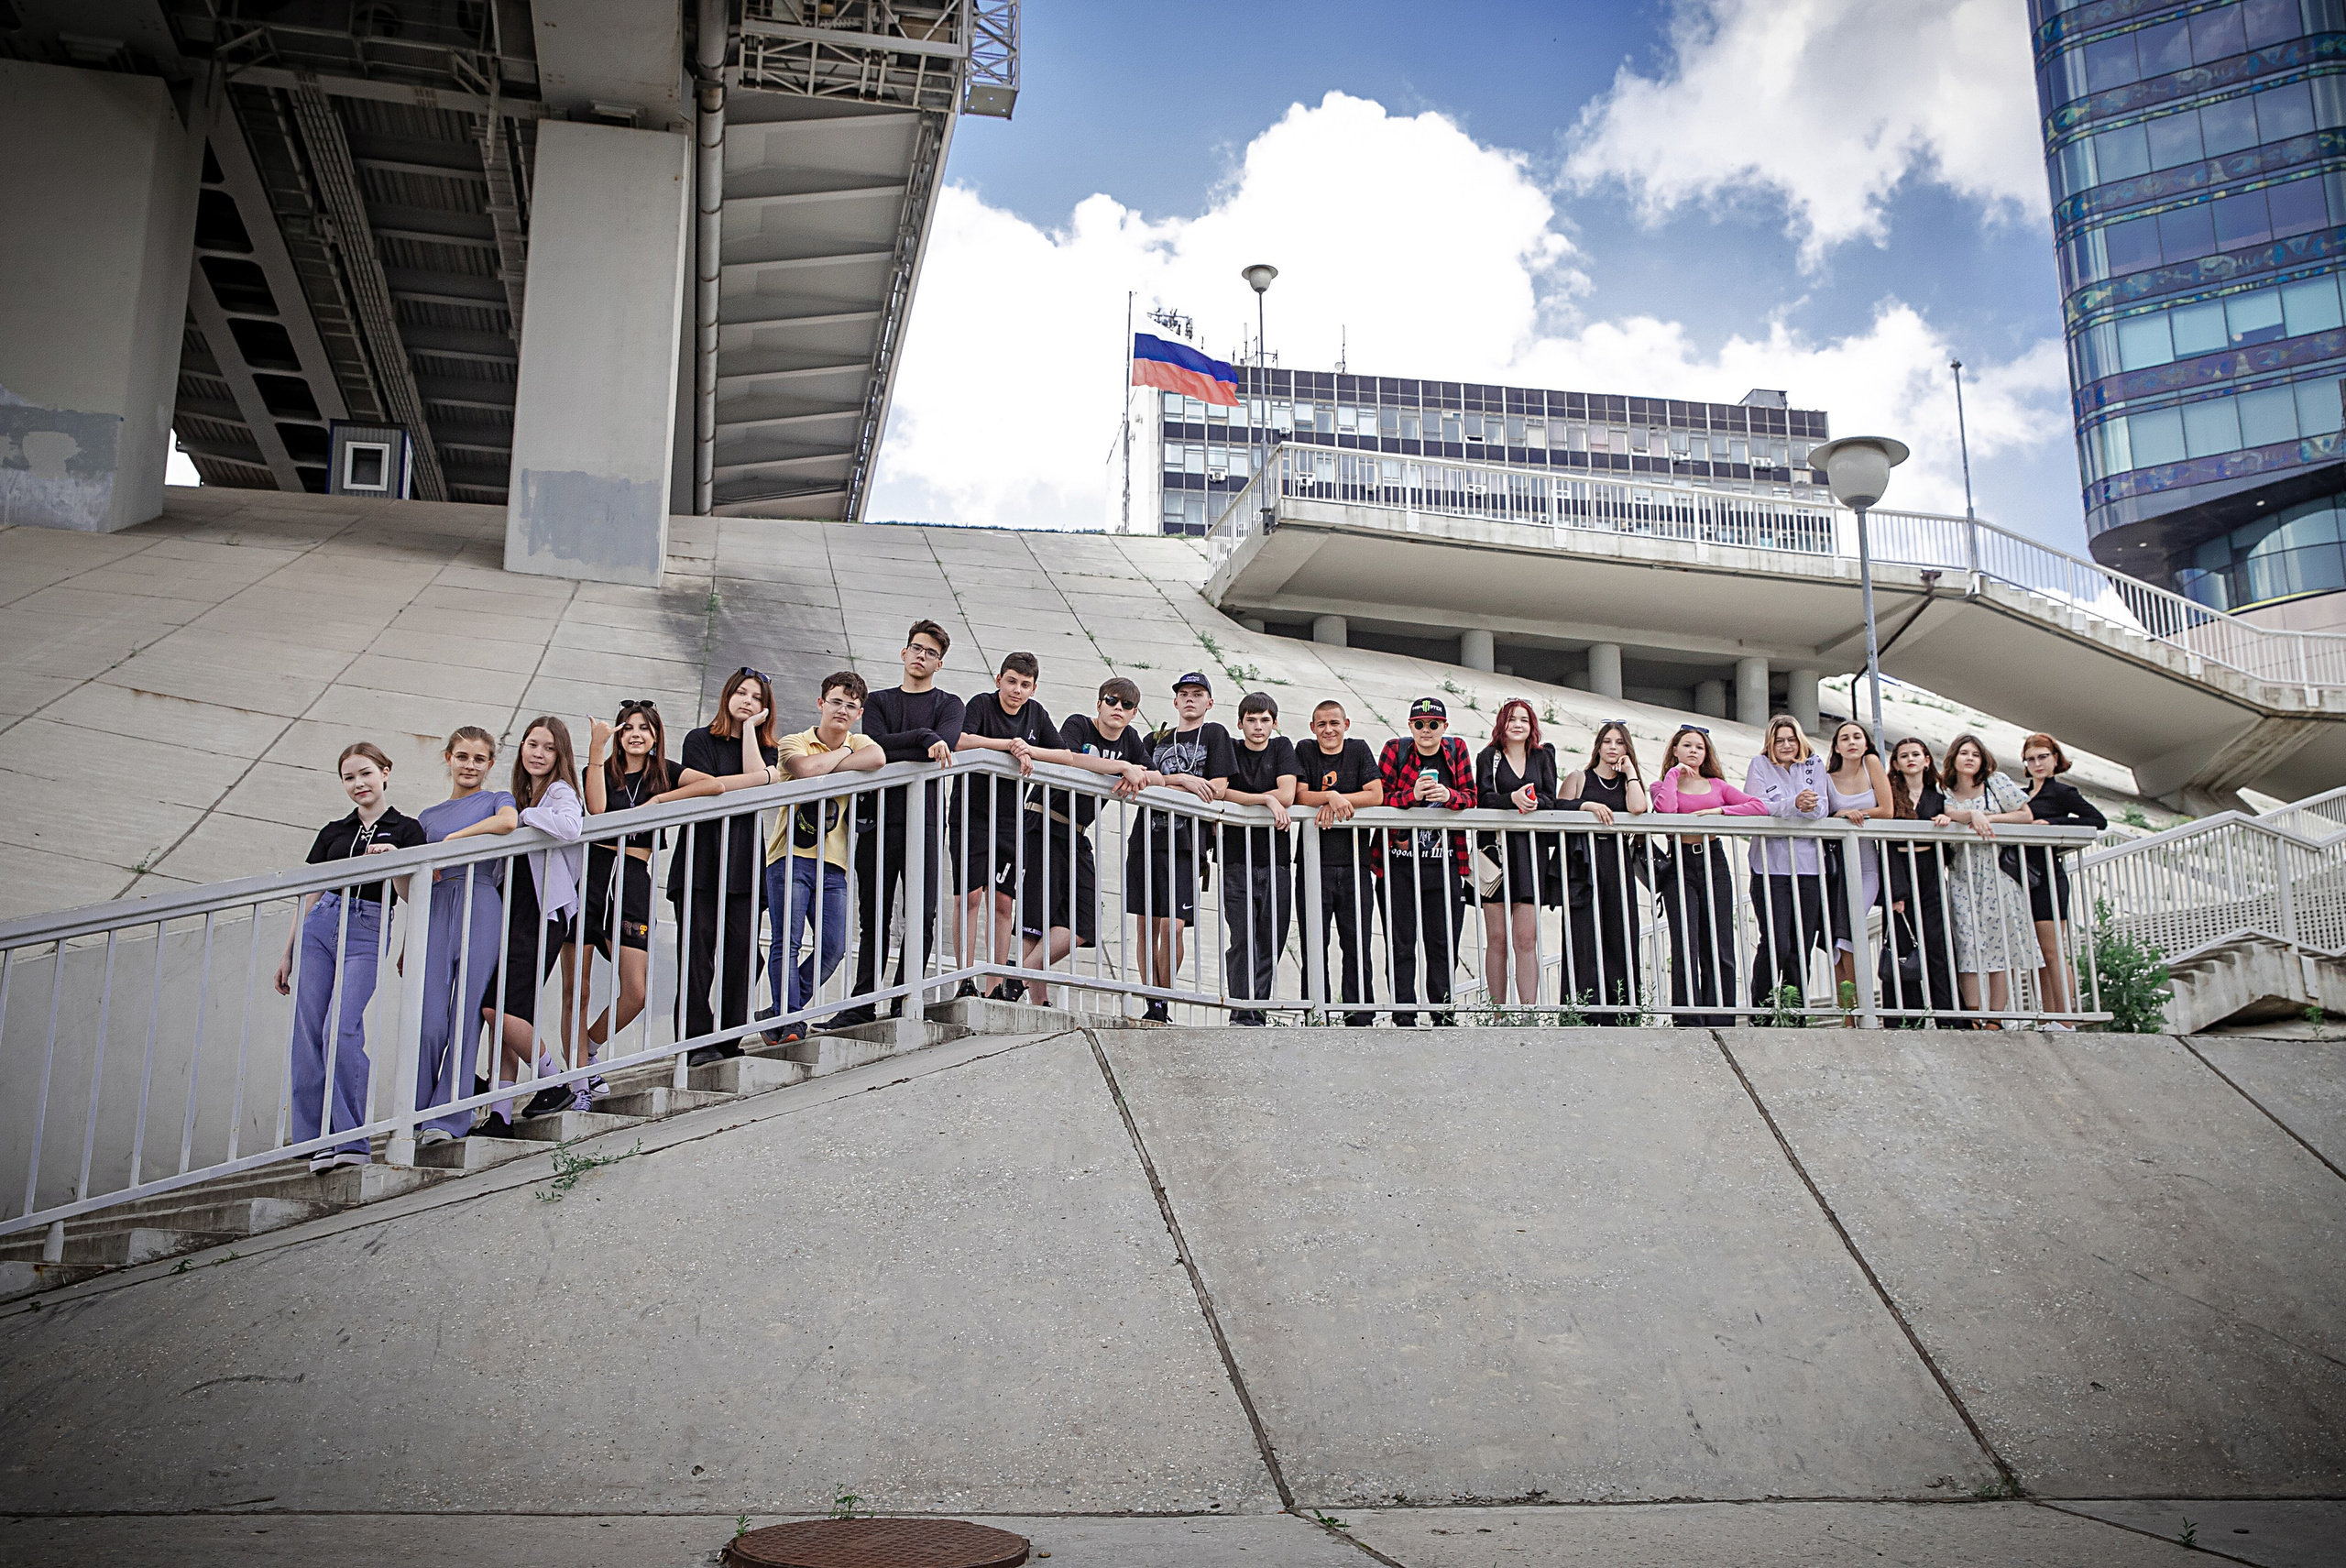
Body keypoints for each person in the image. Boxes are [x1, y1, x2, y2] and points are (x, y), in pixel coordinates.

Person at [275, 742, 424, 1170]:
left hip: (368, 925)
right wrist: (287, 952)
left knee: (340, 1028)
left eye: (365, 774)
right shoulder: (334, 831)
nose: (358, 784)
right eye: (349, 778)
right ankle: (315, 1141)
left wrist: (398, 862)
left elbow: (412, 895)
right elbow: (310, 893)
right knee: (308, 1032)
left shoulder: (407, 829)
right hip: (320, 925)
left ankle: (351, 1141)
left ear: (385, 773)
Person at [838, 621, 964, 1026]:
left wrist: (922, 742)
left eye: (929, 652)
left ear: (939, 663)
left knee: (922, 914)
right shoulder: (878, 702)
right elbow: (875, 746)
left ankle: (903, 998)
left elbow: (937, 751)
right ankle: (861, 1003)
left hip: (924, 822)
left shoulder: (950, 703)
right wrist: (925, 736)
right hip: (878, 819)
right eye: (915, 648)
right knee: (872, 914)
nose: (920, 656)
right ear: (903, 653)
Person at [577, 700, 715, 1062]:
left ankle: (589, 1049)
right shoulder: (600, 769)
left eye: (644, 728)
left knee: (636, 992)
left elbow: (712, 785)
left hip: (634, 879)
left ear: (655, 736)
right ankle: (577, 1071)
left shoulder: (664, 772)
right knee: (579, 988)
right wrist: (596, 747)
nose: (636, 735)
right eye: (628, 728)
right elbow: (595, 809)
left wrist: (659, 801)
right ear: (619, 734)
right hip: (594, 875)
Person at [672, 666, 784, 1063]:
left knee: (742, 955)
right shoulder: (699, 740)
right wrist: (759, 780)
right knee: (697, 957)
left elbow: (756, 776)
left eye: (756, 698)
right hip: (700, 862)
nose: (747, 702)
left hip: (743, 865)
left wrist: (752, 732)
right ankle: (694, 1043)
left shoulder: (767, 749)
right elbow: (711, 790)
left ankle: (729, 1038)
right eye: (741, 693)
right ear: (727, 694)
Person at [1017, 677, 1151, 1006]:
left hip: (1075, 833)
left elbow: (1153, 775)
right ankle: (1038, 998)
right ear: (1099, 704)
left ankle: (1018, 976)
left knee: (1084, 923)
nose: (1118, 708)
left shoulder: (1131, 740)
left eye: (1126, 705)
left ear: (1134, 713)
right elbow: (1069, 758)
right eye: (1111, 701)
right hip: (1041, 820)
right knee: (1036, 917)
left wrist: (1139, 772)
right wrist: (1121, 767)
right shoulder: (1079, 725)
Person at [768, 672, 885, 1039]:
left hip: (834, 864)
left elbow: (878, 757)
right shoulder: (794, 741)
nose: (842, 710)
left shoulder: (860, 740)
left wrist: (841, 754)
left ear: (859, 712)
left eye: (851, 706)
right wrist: (847, 755)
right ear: (821, 703)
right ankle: (788, 1021)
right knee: (786, 941)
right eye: (836, 702)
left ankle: (780, 1012)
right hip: (790, 857)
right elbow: (803, 770)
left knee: (833, 947)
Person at [411, 727, 513, 1146]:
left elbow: (510, 823)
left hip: (481, 900)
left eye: (479, 759)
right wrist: (406, 944)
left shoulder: (496, 799)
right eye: (462, 757)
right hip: (435, 907)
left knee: (466, 1014)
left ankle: (450, 1118)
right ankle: (416, 1115)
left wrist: (454, 841)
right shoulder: (426, 817)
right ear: (448, 758)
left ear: (489, 764)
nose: (470, 765)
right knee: (430, 1020)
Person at [486, 716, 587, 1124]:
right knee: (511, 1016)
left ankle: (554, 1083)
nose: (538, 754)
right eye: (532, 744)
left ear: (559, 754)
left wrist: (525, 819)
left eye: (548, 747)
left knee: (497, 1010)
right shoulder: (520, 793)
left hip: (540, 913)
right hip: (513, 908)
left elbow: (571, 826)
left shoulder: (559, 792)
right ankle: (500, 1113)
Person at [1127, 673, 1233, 1023]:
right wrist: (1183, 779)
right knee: (1146, 924)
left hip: (1187, 844)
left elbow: (1217, 787)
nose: (1190, 699)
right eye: (1184, 694)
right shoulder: (1155, 738)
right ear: (1175, 702)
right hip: (1147, 839)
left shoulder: (1215, 734)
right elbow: (1140, 781)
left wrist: (1165, 784)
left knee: (1172, 926)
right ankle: (1152, 1003)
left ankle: (1164, 996)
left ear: (1209, 702)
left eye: (1198, 694)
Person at [953, 652, 1058, 1001]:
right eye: (1011, 681)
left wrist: (1030, 750)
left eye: (1025, 685)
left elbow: (1066, 756)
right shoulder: (981, 705)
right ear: (999, 680)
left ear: (1034, 688)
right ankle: (965, 979)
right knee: (969, 896)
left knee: (1002, 903)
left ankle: (994, 984)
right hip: (971, 813)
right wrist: (1009, 747)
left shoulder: (1036, 714)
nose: (1017, 690)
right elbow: (960, 740)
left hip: (1011, 821)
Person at [1650, 725, 1767, 1027]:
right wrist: (1674, 775)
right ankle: (1688, 1019)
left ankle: (1721, 1018)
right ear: (1675, 750)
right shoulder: (1662, 785)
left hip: (1713, 861)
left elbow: (1758, 806)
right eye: (1686, 745)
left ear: (1706, 754)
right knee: (1685, 945)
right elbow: (1666, 813)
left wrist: (1720, 813)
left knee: (1719, 944)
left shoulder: (1717, 785)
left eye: (1699, 747)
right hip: (1678, 863)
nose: (1693, 751)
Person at [1377, 696, 1476, 1026]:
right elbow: (1380, 798)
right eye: (1419, 724)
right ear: (1410, 726)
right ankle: (1403, 1016)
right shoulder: (1396, 750)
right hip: (1397, 864)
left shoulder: (1456, 750)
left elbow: (1472, 797)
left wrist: (1450, 796)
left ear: (1444, 727)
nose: (1426, 731)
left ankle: (1443, 1015)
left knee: (1443, 945)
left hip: (1444, 863)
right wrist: (1413, 795)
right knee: (1401, 944)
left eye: (1433, 724)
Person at [1935, 732, 2037, 1026]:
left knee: (1997, 944)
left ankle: (1995, 1016)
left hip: (1996, 872)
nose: (1969, 758)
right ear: (1954, 757)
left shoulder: (1996, 782)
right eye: (1964, 753)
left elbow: (2024, 814)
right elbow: (1947, 812)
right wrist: (1968, 814)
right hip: (1961, 873)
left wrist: (1987, 818)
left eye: (1975, 754)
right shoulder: (1945, 790)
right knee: (1967, 940)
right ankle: (1974, 1014)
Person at [1294, 699, 1383, 1026]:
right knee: (1314, 942)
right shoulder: (1304, 750)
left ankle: (1360, 1016)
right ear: (1312, 728)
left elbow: (1376, 795)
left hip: (1355, 864)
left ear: (1346, 724)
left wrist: (1340, 800)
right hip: (1313, 864)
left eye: (1334, 723)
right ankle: (1315, 1014)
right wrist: (1330, 797)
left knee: (1357, 942)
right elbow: (1300, 796)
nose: (1328, 730)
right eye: (1321, 724)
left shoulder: (1358, 750)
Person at [1559, 719, 1650, 1025]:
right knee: (1582, 935)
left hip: (1616, 860)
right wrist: (1586, 806)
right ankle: (1581, 1012)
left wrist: (1631, 773)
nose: (1613, 747)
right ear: (1598, 745)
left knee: (1620, 933)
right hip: (1583, 861)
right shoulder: (1579, 777)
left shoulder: (1627, 781)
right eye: (1608, 741)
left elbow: (1638, 807)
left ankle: (1621, 1012)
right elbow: (1557, 808)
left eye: (1620, 743)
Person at [1216, 692, 1299, 1025]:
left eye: (1265, 720)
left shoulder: (1281, 748)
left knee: (1270, 940)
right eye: (1251, 719)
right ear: (1240, 723)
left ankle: (1256, 1013)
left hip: (1277, 862)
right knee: (1242, 939)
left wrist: (1263, 800)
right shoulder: (1231, 750)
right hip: (1236, 860)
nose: (1258, 726)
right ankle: (1241, 1012)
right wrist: (1265, 799)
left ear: (1274, 723)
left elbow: (1289, 794)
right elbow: (1222, 791)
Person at [1742, 714, 1831, 1020]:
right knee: (1776, 942)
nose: (1786, 745)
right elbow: (1758, 806)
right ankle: (1761, 1012)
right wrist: (1794, 804)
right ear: (1770, 741)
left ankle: (1795, 1014)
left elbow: (1822, 807)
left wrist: (1803, 807)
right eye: (1779, 740)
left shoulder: (1814, 765)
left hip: (1808, 867)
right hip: (1770, 866)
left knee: (1800, 946)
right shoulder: (1760, 765)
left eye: (1791, 739)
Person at [1474, 699, 1561, 1008]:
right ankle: (1496, 1013)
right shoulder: (1489, 757)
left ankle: (1528, 1012)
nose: (1518, 725)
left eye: (1524, 719)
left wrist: (1535, 803)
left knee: (1526, 939)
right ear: (1502, 724)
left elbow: (1552, 798)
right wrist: (1511, 799)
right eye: (1512, 719)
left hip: (1529, 852)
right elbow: (1482, 799)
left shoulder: (1542, 756)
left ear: (1532, 725)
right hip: (1495, 853)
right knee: (1496, 939)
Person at [2018, 731, 2106, 1029]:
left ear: (2055, 758)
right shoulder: (2019, 795)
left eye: (2043, 757)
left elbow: (2098, 820)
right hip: (2018, 877)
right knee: (2036, 952)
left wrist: (2053, 823)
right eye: (2031, 759)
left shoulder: (2062, 793)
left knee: (2052, 950)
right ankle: (2048, 1017)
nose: (2037, 763)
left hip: (2047, 876)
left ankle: (2065, 1019)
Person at [1880, 736, 1958, 1025]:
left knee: (1937, 944)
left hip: (1930, 868)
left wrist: (1944, 822)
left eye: (1916, 754)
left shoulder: (1939, 797)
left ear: (1927, 760)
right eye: (1903, 756)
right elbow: (1885, 843)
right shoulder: (1889, 796)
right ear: (1897, 765)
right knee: (1902, 945)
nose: (1910, 759)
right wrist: (1896, 890)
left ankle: (1948, 1017)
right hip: (1900, 867)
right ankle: (1904, 1018)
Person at [1822, 718, 1894, 1024]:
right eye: (1845, 738)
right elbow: (1825, 814)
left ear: (1866, 742)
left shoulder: (1872, 763)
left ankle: (1863, 1009)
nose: (1852, 742)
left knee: (1849, 933)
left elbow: (1887, 810)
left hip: (1866, 867)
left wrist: (1855, 813)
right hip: (1836, 869)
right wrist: (1839, 813)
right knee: (1836, 942)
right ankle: (1847, 1014)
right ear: (1836, 746)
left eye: (1857, 737)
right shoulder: (1827, 777)